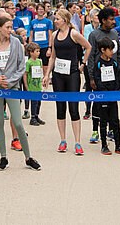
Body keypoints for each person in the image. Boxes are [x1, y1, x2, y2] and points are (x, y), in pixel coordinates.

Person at [0, 16, 41, 171]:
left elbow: (21, 67)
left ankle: (28, 157)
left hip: (12, 88)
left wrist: (11, 81)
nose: (10, 30)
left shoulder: (16, 43)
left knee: (18, 122)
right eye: (7, 27)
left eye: (11, 27)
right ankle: (3, 157)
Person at [42, 9, 92, 155]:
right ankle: (63, 140)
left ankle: (77, 142)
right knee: (60, 107)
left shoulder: (74, 33)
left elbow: (88, 46)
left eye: (57, 18)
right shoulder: (54, 35)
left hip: (72, 74)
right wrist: (47, 75)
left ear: (64, 20)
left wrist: (83, 63)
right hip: (58, 74)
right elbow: (52, 57)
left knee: (74, 108)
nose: (55, 21)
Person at [91, 38, 120, 155]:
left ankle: (118, 145)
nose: (112, 52)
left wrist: (114, 90)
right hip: (103, 97)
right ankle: (104, 145)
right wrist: (104, 92)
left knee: (115, 121)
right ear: (103, 50)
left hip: (112, 96)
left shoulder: (114, 62)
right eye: (110, 49)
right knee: (103, 121)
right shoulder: (98, 63)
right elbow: (97, 79)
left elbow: (117, 78)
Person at [24, 42, 46, 126]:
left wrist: (43, 79)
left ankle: (36, 116)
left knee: (39, 102)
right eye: (37, 51)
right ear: (31, 52)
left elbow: (40, 71)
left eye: (39, 51)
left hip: (38, 85)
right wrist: (26, 85)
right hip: (31, 86)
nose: (38, 53)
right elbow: (25, 74)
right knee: (34, 102)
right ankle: (32, 117)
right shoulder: (29, 63)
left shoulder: (39, 61)